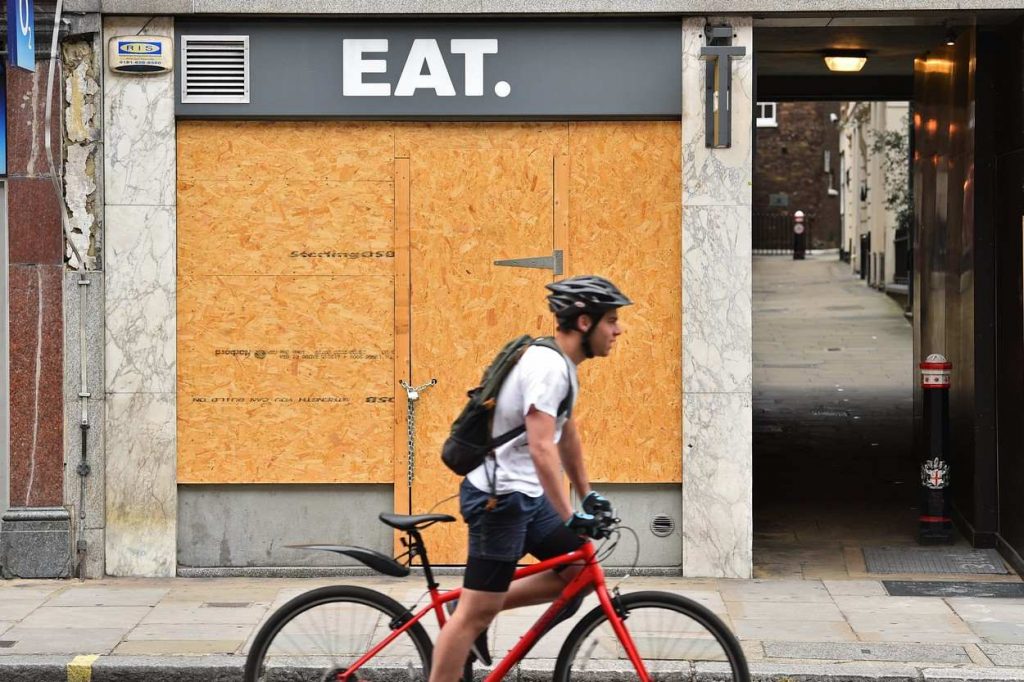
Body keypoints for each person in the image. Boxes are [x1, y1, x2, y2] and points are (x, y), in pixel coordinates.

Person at [428, 275, 632, 682]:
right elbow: (542, 448)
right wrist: (569, 514)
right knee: (474, 615)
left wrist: (587, 496)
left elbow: (565, 432)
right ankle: (466, 614)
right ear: (585, 323)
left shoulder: (563, 364)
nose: (618, 329)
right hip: (500, 500)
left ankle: (474, 604)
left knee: (577, 573)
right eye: (610, 320)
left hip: (526, 497)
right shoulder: (548, 368)